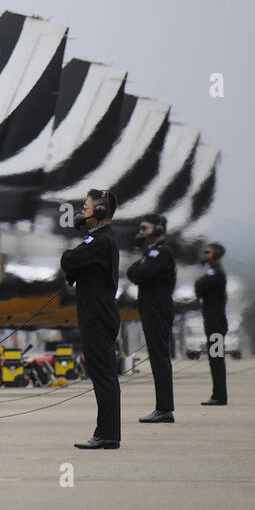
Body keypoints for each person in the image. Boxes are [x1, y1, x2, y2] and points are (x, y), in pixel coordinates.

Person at [61, 188, 122, 449]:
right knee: (104, 375)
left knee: (103, 376)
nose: (82, 214)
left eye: (86, 209)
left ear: (99, 212)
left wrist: (71, 258)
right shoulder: (100, 240)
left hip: (96, 315)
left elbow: (70, 259)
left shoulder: (100, 241)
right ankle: (107, 432)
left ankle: (107, 434)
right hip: (98, 312)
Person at [127, 213, 176, 422]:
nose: (141, 232)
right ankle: (163, 407)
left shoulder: (160, 253)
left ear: (158, 229)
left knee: (159, 357)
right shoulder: (151, 252)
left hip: (157, 308)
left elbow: (138, 275)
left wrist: (137, 266)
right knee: (157, 357)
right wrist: (139, 254)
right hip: (151, 308)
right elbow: (134, 271)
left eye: (145, 228)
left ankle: (164, 409)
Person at [194, 242, 228, 406]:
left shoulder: (216, 273)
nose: (205, 255)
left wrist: (201, 280)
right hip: (212, 322)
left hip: (216, 324)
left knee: (216, 359)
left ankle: (219, 395)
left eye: (208, 252)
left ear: (216, 255)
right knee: (215, 358)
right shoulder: (211, 272)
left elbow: (200, 286)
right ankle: (218, 393)